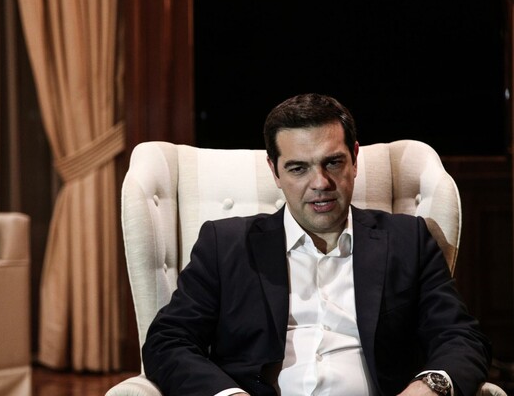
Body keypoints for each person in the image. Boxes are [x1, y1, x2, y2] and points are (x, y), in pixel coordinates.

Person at [141, 93, 491, 396]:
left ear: (354, 159)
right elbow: (168, 341)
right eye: (298, 169)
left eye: (333, 162)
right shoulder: (225, 245)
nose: (320, 183)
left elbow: (461, 336)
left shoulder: (407, 240)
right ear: (275, 171)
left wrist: (429, 386)